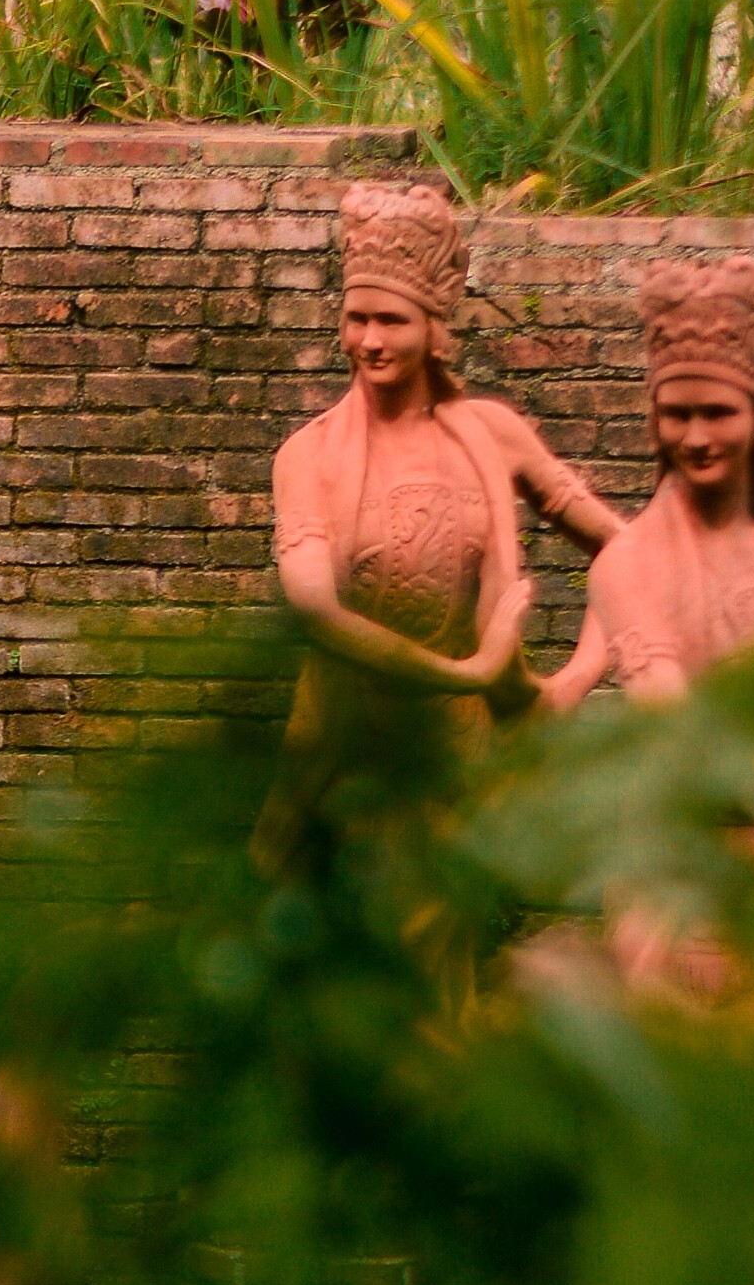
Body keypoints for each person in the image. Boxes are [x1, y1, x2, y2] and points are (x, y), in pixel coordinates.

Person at [264, 183, 616, 842]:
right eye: (356, 318)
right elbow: (316, 609)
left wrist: (570, 682)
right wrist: (464, 672)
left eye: (391, 321)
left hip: (453, 767)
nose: (369, 340)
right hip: (338, 758)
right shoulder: (308, 456)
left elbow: (628, 552)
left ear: (434, 329)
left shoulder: (493, 435)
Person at [574, 255, 754, 698]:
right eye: (678, 415)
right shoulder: (629, 566)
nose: (696, 438)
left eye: (718, 414)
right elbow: (684, 738)